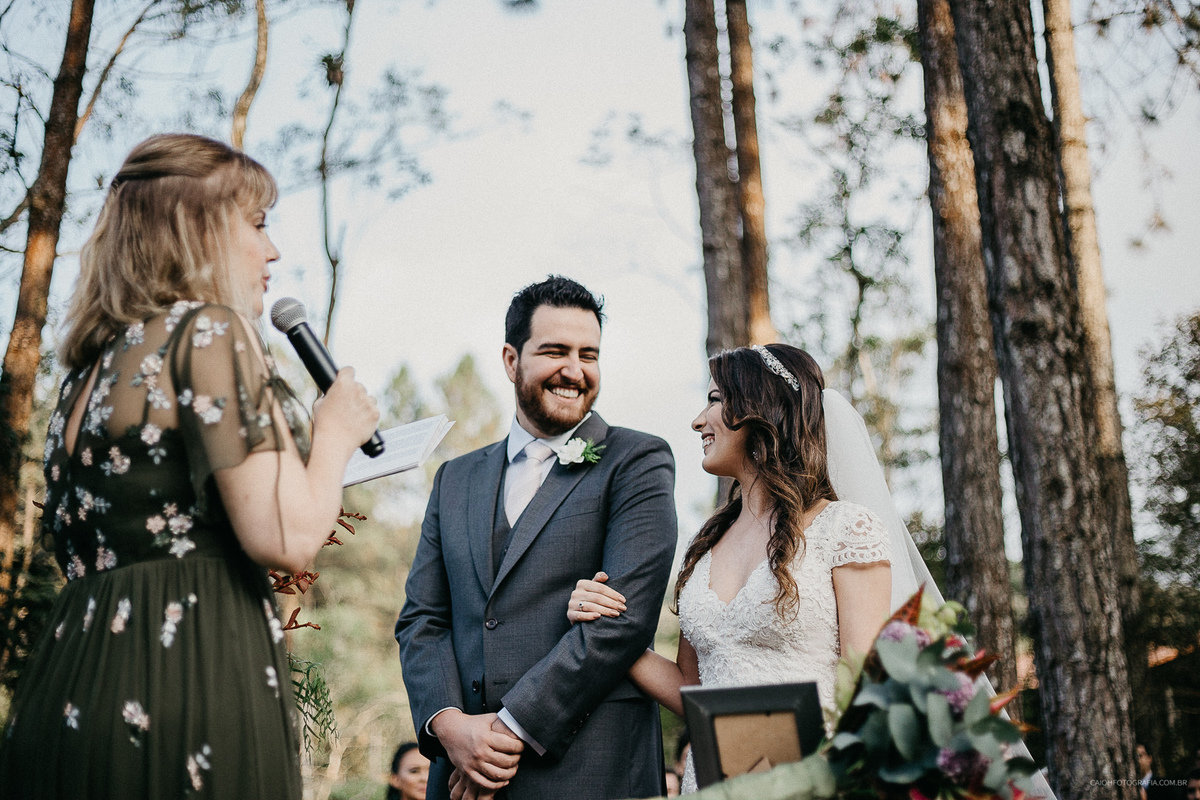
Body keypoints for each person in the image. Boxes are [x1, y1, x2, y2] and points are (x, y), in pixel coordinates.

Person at [0, 134, 380, 799]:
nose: (273, 251)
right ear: (195, 228)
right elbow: (286, 537)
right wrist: (336, 435)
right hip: (187, 675)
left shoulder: (88, 372)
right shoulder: (209, 330)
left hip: (71, 683)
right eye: (258, 225)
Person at [394, 276, 678, 800]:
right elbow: (422, 618)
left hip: (590, 770)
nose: (574, 371)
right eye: (554, 351)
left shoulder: (636, 461)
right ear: (510, 360)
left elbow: (622, 621)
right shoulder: (455, 479)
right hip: (459, 776)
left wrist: (502, 735)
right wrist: (451, 726)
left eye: (588, 354)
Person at [568, 344, 896, 792]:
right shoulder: (705, 546)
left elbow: (868, 692)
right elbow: (692, 687)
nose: (698, 419)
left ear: (763, 408)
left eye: (716, 400)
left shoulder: (846, 529)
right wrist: (607, 627)